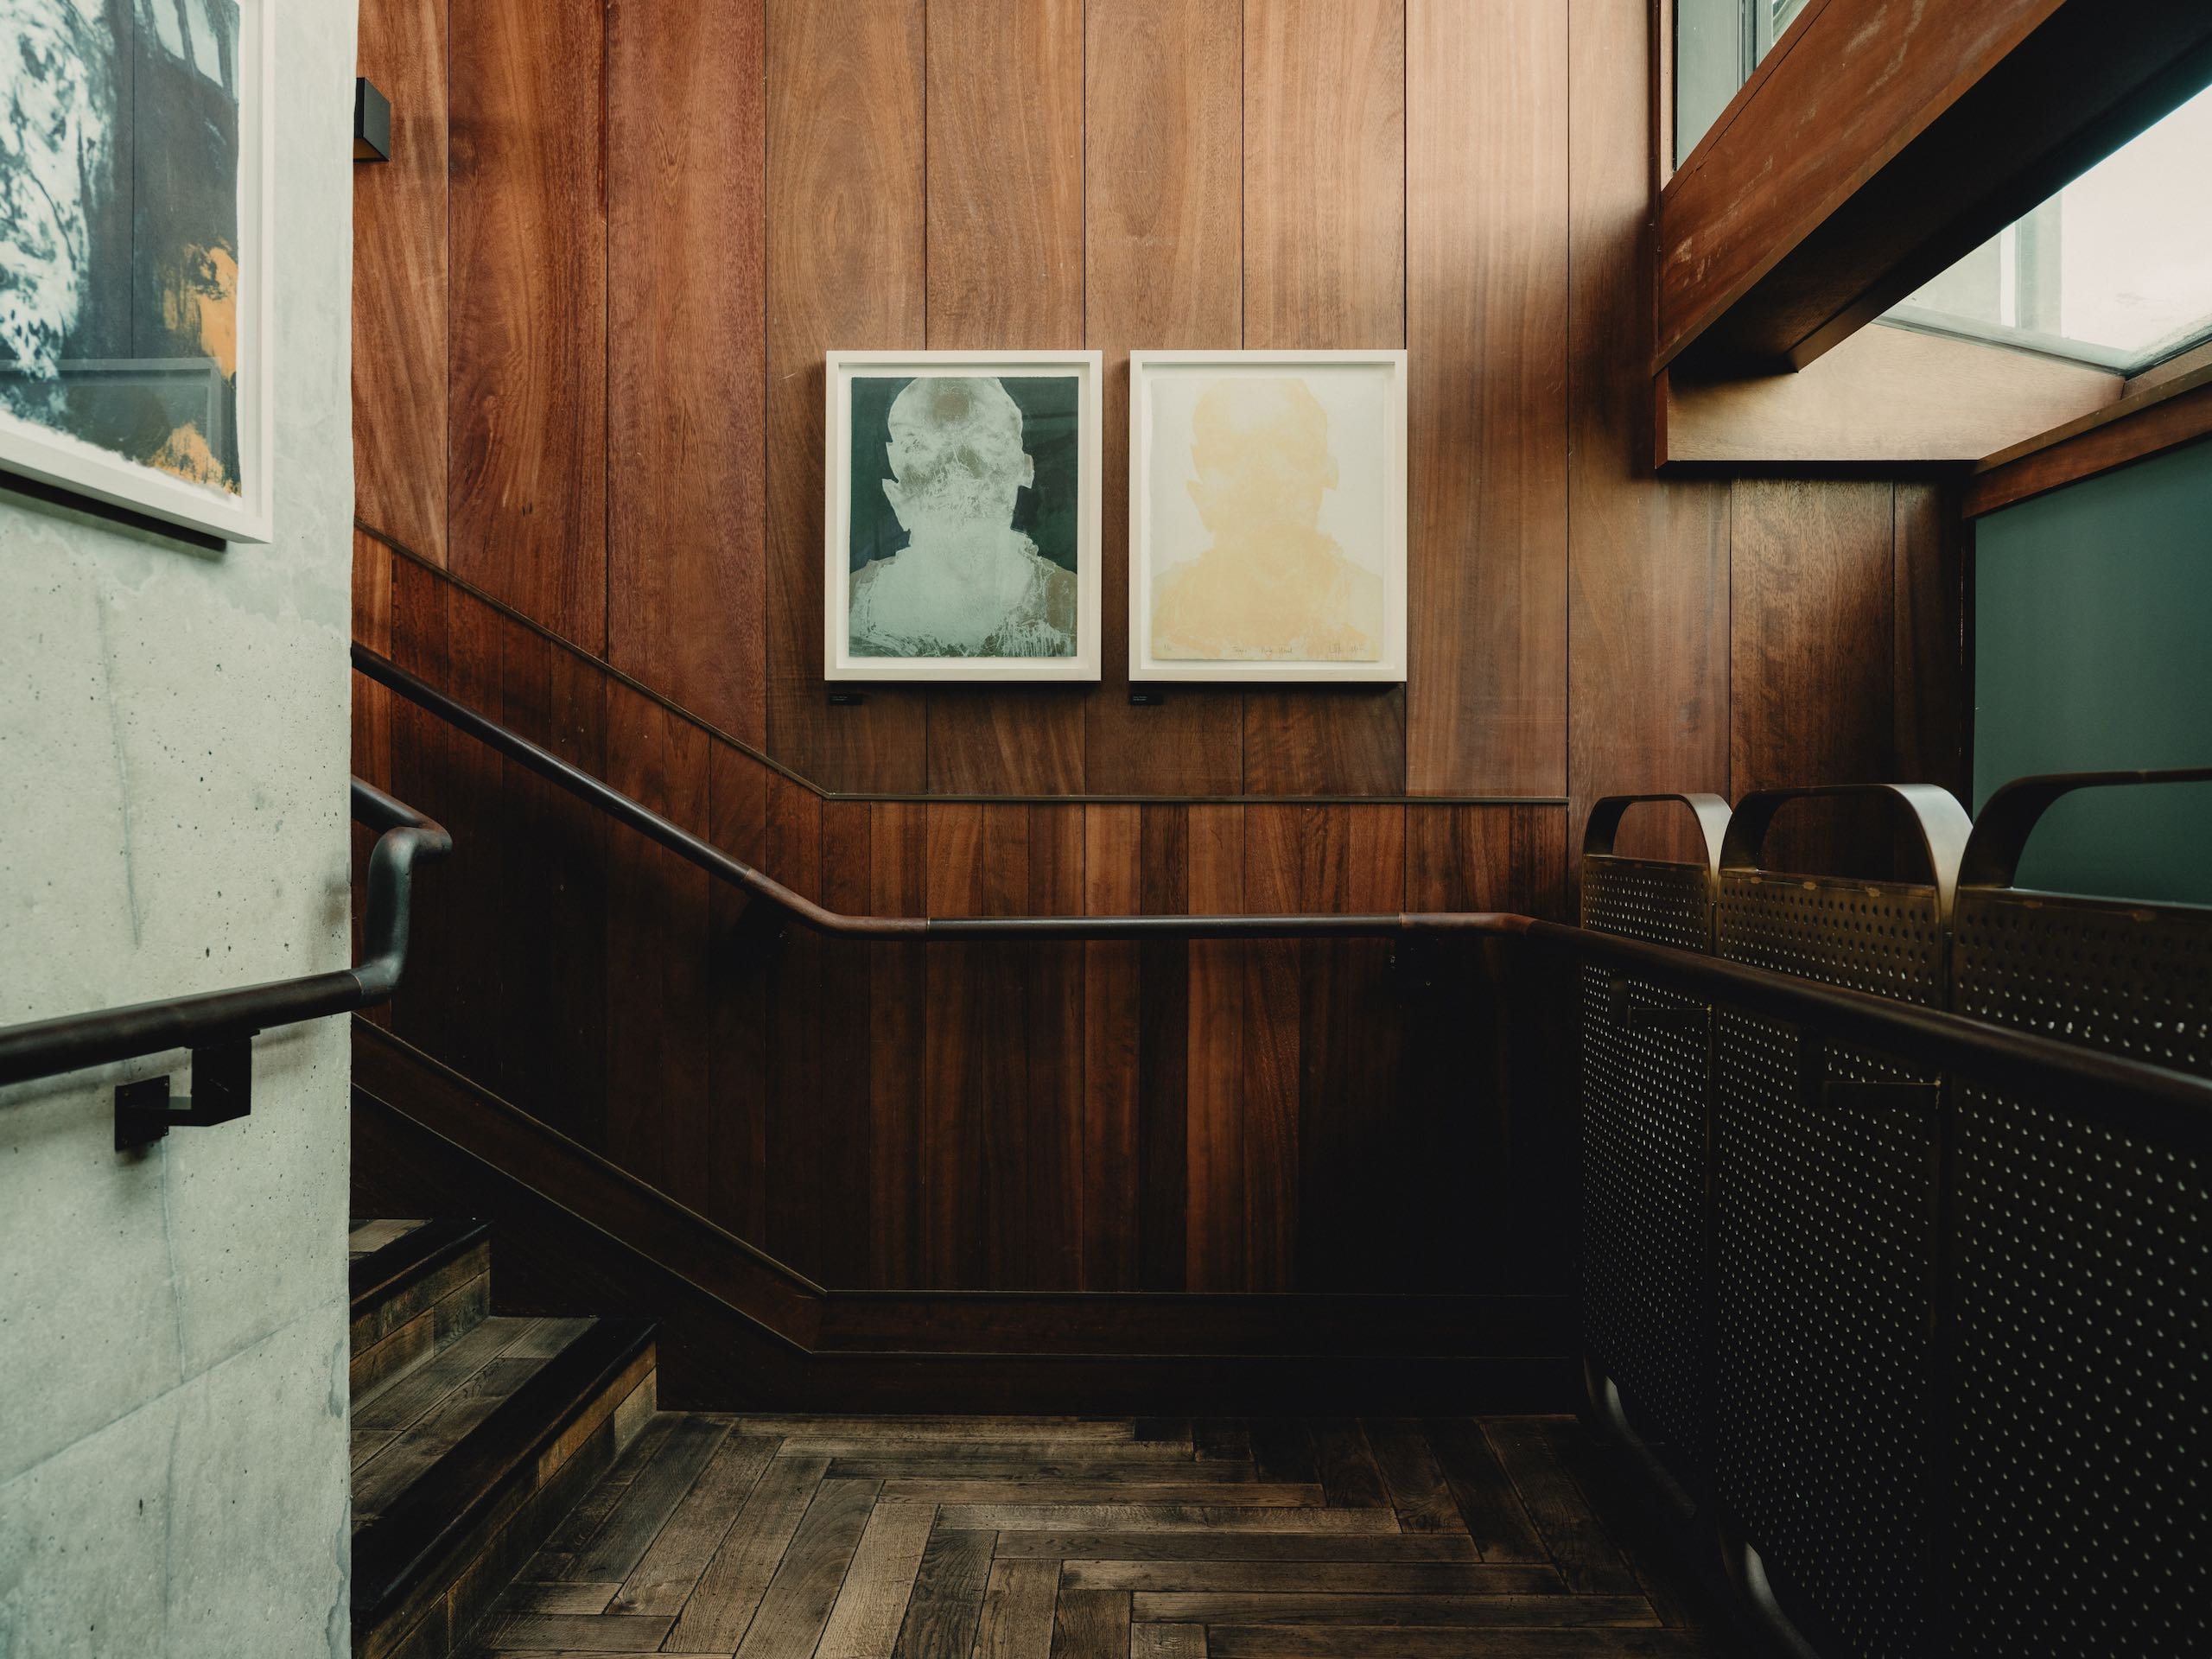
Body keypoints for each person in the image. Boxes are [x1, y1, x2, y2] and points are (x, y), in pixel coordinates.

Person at [1151, 376, 1381, 662]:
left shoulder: (1374, 606)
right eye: (1230, 455)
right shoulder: (1160, 604)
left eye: (1292, 450)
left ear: (1327, 471)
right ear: (1200, 488)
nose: (1265, 479)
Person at [849, 376, 1076, 658]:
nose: (959, 467)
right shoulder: (849, 603)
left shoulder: (1071, 602)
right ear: (897, 497)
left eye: (987, 444)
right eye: (926, 450)